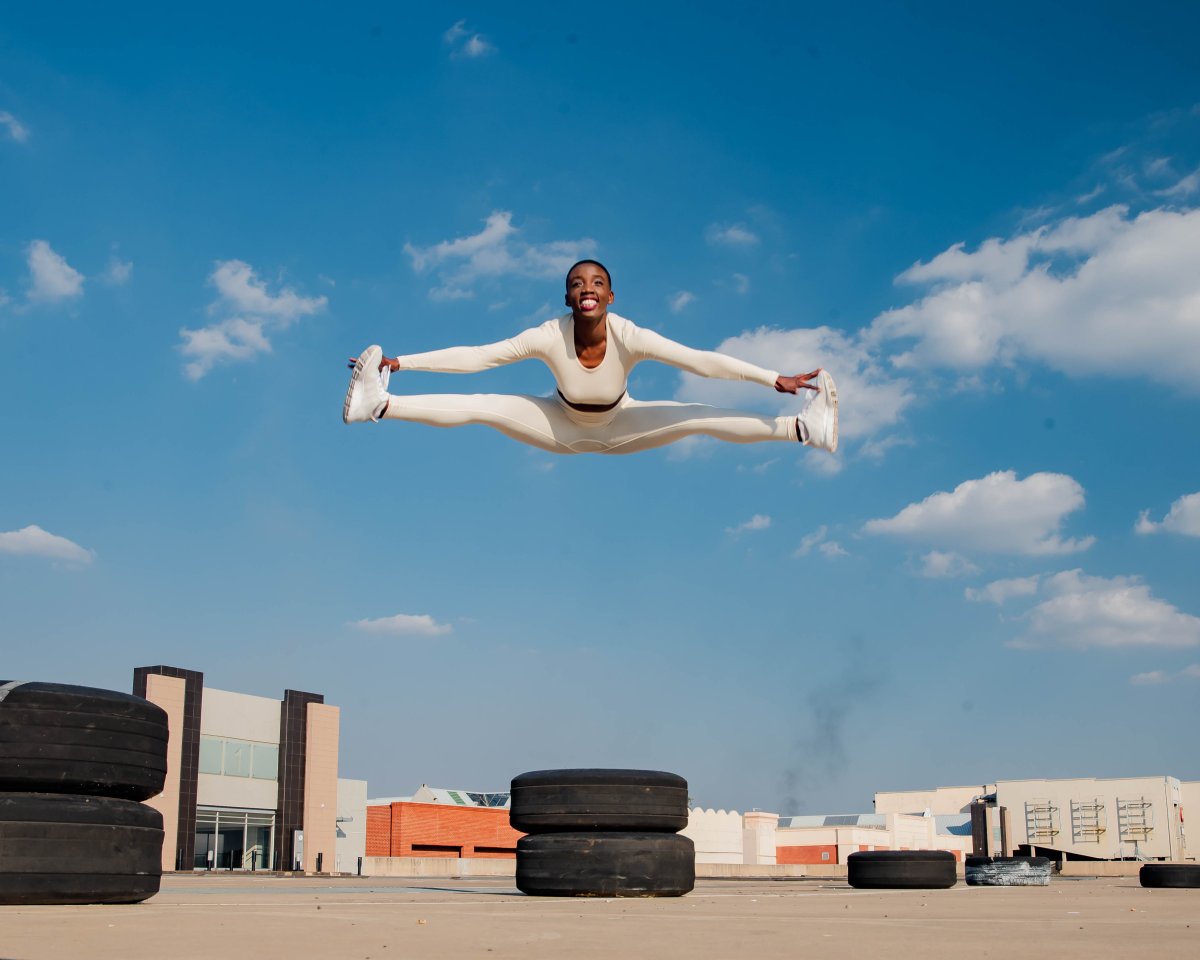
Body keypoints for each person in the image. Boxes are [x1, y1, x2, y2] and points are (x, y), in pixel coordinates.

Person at [343, 259, 837, 456]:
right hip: (558, 423)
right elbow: (480, 356)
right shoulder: (547, 334)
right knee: (483, 403)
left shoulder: (631, 335)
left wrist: (775, 379)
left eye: (596, 283)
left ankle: (805, 429)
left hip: (622, 425)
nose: (587, 289)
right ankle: (379, 405)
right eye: (576, 284)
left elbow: (699, 361)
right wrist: (400, 362)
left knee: (699, 416)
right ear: (567, 299)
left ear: (611, 296)